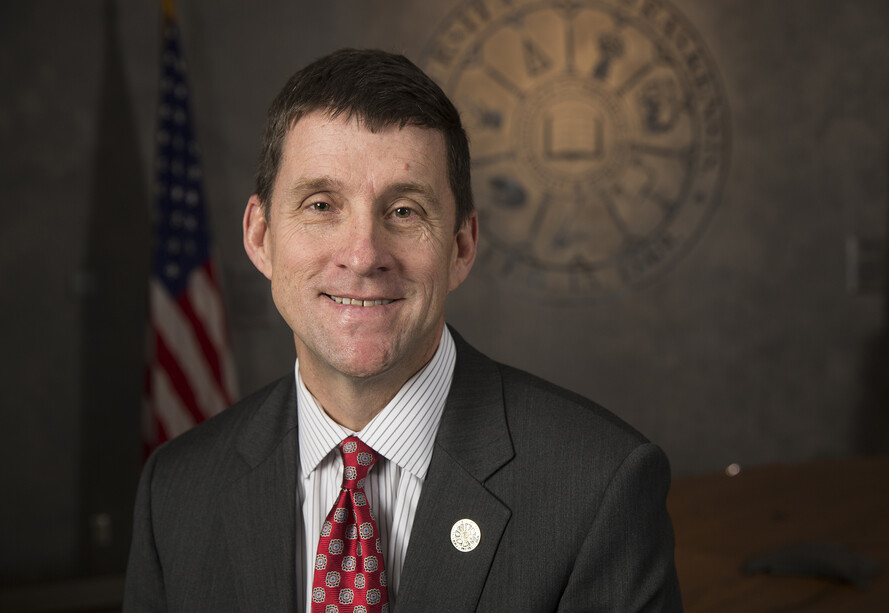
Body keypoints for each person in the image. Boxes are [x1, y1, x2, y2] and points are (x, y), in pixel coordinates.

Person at [124, 48, 682, 612]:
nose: (364, 256)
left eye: (405, 211)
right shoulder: (176, 491)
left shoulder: (598, 485)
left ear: (461, 247)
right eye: (321, 205)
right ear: (260, 236)